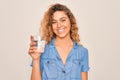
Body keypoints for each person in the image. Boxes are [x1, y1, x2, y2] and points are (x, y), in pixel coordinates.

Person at [28, 3, 90, 80]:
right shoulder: (42, 50)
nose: (59, 25)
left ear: (70, 21)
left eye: (63, 20)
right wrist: (36, 59)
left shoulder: (82, 52)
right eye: (54, 22)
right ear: (50, 26)